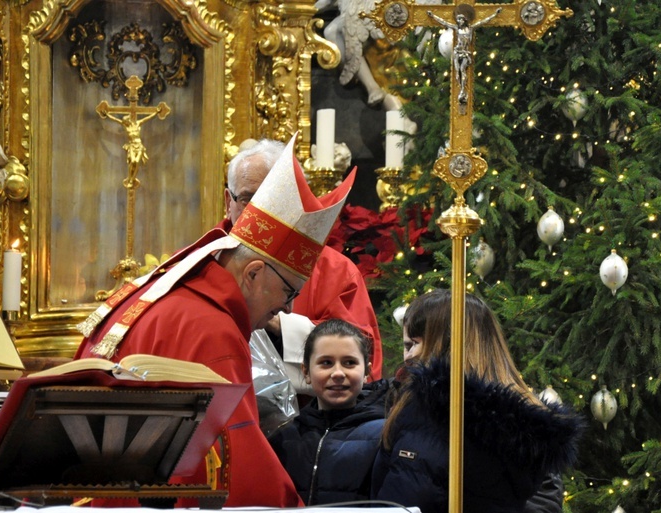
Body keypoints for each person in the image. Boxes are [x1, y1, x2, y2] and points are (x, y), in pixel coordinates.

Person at [74, 133, 356, 508]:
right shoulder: (214, 330)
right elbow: (243, 475)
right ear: (253, 274)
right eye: (288, 293)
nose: (286, 309)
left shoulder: (176, 285)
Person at [372, 289, 585, 513]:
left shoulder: (519, 430)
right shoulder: (409, 406)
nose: (408, 356)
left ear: (448, 344)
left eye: (414, 344)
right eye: (406, 346)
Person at [218, 138, 383, 391]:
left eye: (273, 199)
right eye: (248, 199)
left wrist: (279, 325)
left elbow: (361, 353)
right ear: (229, 201)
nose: (259, 212)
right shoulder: (203, 259)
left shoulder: (336, 271)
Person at [268, 318, 387, 505]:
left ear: (366, 372)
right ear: (306, 372)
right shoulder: (283, 438)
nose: (338, 373)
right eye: (326, 363)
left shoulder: (384, 435)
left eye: (349, 363)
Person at [427, 6, 502, 106]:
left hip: (465, 53)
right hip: (457, 52)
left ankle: (463, 91)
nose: (459, 21)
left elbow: (484, 21)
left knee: (463, 70)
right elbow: (444, 22)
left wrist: (495, 14)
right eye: (458, 19)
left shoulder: (470, 29)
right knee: (457, 72)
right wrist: (433, 16)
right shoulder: (456, 28)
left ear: (465, 20)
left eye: (461, 19)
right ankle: (460, 90)